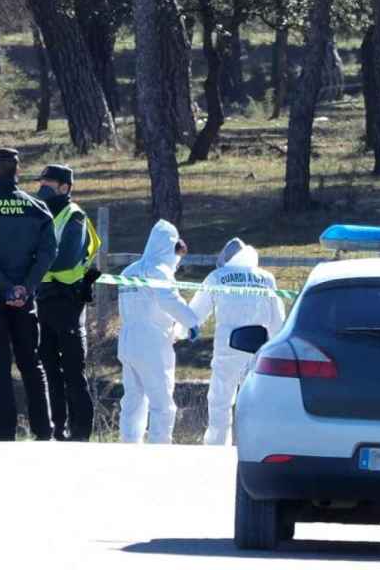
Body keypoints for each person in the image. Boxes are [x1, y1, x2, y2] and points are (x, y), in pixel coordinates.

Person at [0, 148, 57, 441]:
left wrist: (5, 287)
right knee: (31, 363)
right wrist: (26, 286)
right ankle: (44, 430)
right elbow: (48, 253)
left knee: (0, 363)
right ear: (17, 172)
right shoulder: (38, 208)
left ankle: (4, 432)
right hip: (24, 296)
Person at [190, 238, 286, 446]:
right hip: (258, 350)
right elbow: (277, 318)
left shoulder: (218, 277)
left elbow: (196, 313)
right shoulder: (266, 278)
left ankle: (217, 447)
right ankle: (254, 447)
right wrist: (277, 344)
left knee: (220, 401)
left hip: (228, 349)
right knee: (255, 401)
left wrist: (179, 331)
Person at [117, 220, 200, 444]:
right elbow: (170, 301)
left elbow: (124, 307)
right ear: (170, 248)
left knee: (133, 400)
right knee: (162, 402)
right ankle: (160, 449)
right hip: (151, 343)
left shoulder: (129, 270)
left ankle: (129, 444)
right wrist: (191, 322)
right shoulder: (160, 271)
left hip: (127, 341)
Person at [35, 164, 101, 441]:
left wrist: (35, 264)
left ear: (65, 187)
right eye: (42, 181)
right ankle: (57, 428)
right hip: (45, 299)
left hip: (68, 300)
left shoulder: (74, 216)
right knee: (50, 367)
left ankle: (80, 432)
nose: (43, 187)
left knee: (74, 371)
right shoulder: (41, 214)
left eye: (50, 183)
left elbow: (66, 259)